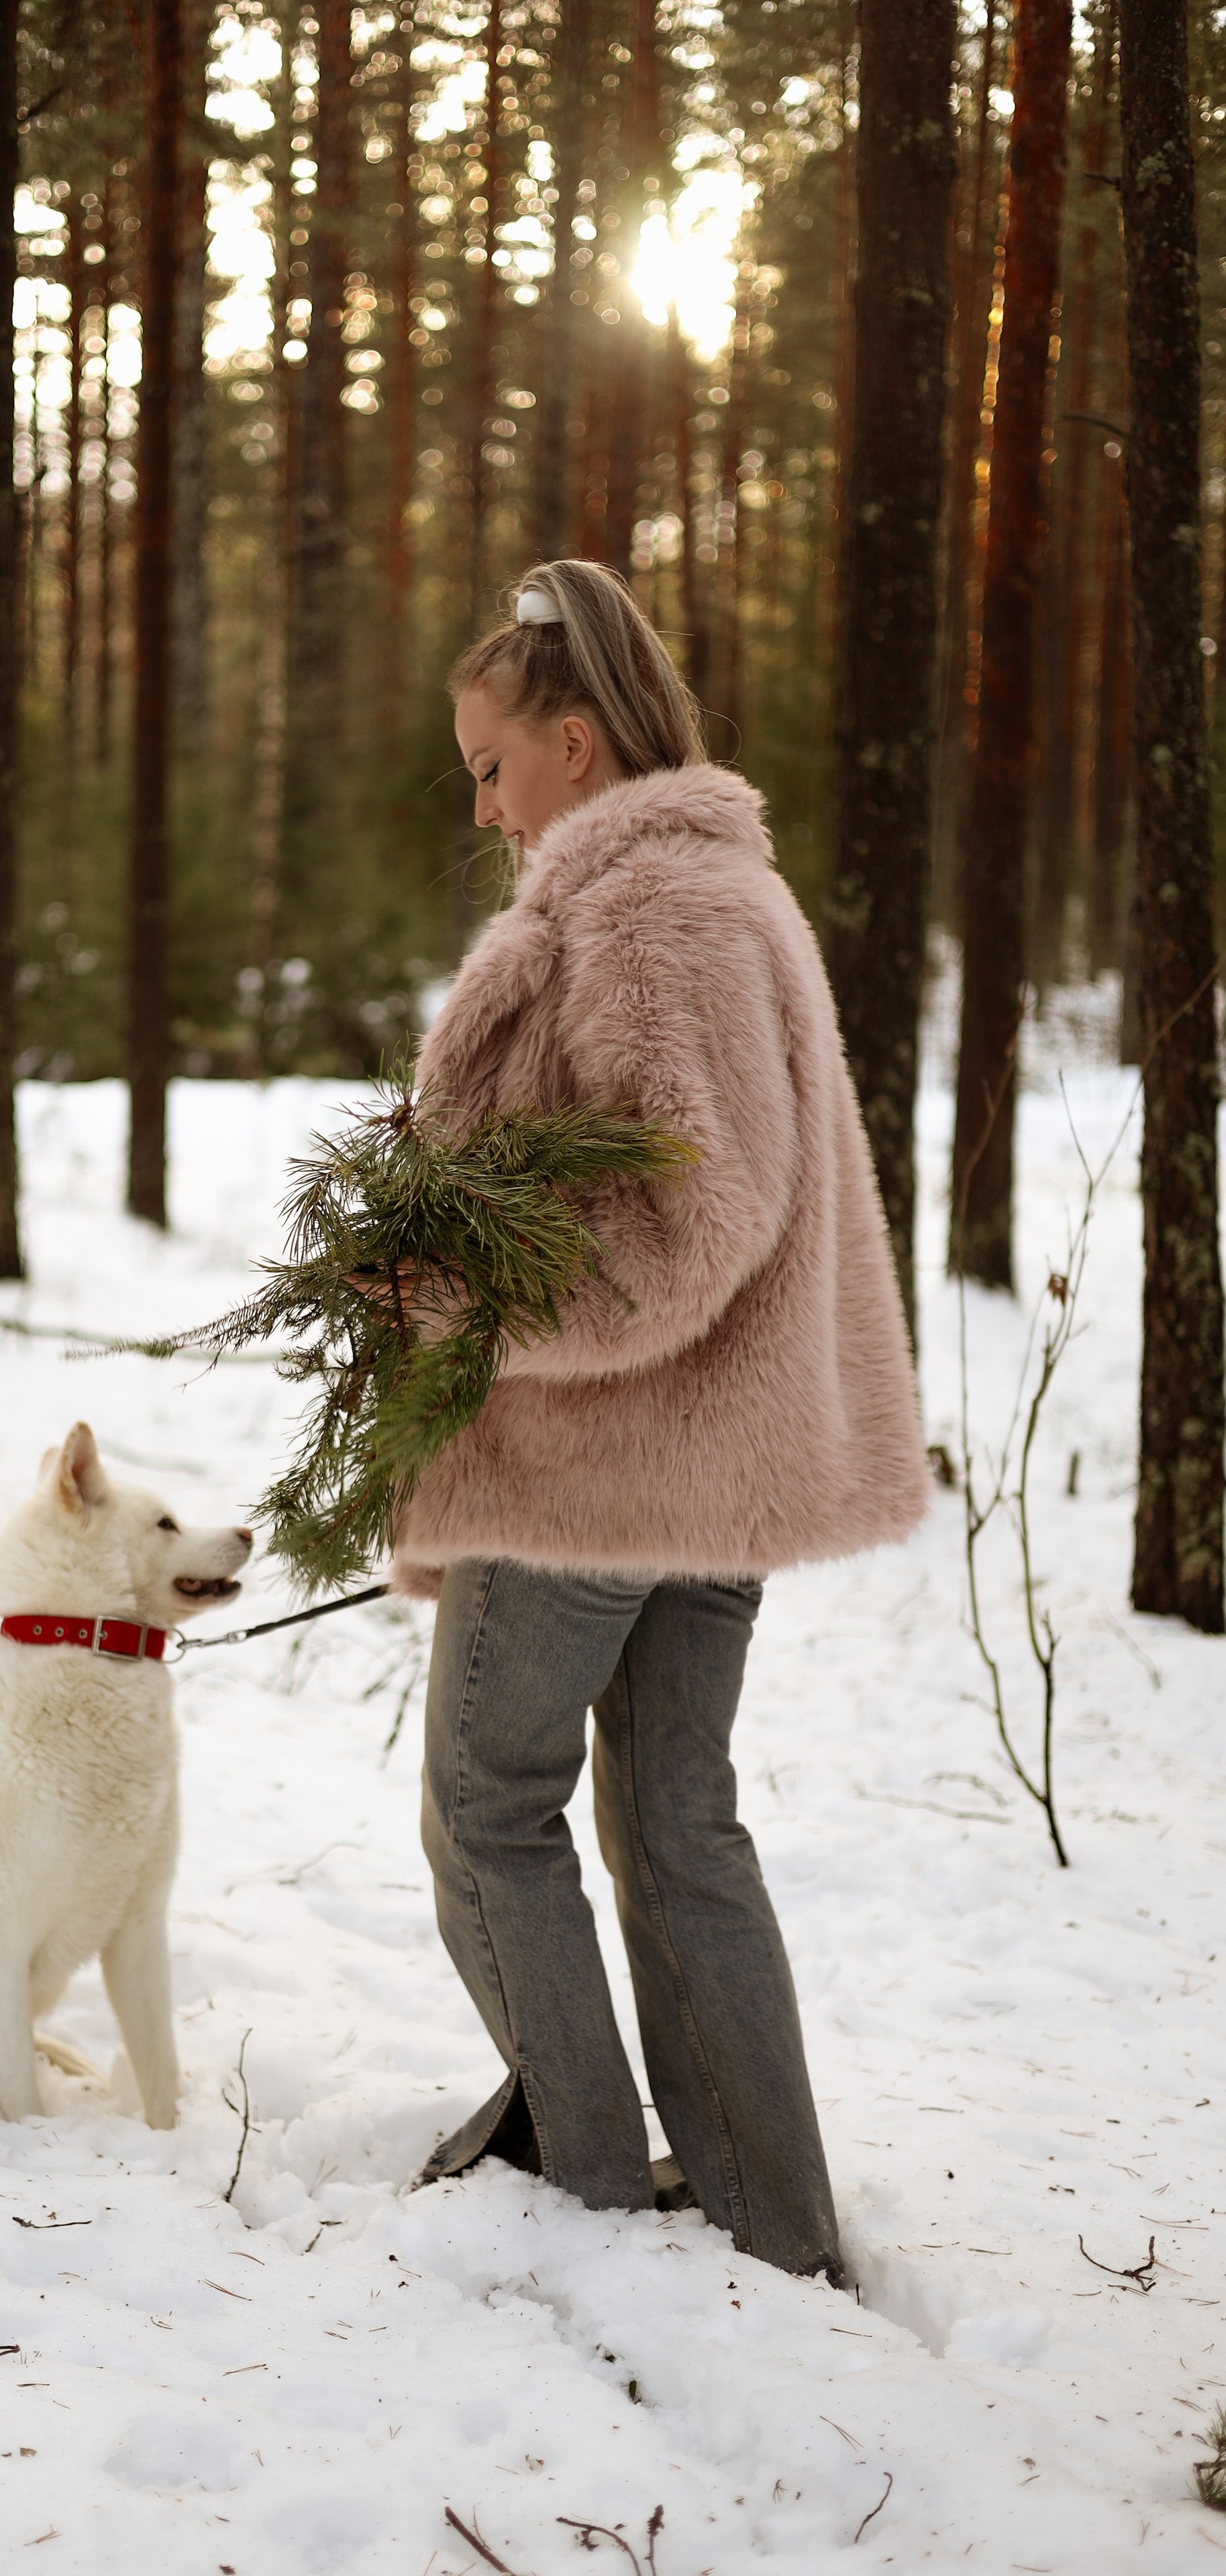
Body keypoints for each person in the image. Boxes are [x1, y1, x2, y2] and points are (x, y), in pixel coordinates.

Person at [388, 559, 928, 2284]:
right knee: (674, 1817)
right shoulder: (713, 894)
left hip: (604, 1470)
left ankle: (593, 2201)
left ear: (571, 739)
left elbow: (693, 1219)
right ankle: (767, 2229)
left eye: (488, 764)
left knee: (489, 1799)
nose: (479, 800)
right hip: (705, 1465)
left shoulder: (644, 912)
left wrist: (451, 1297)